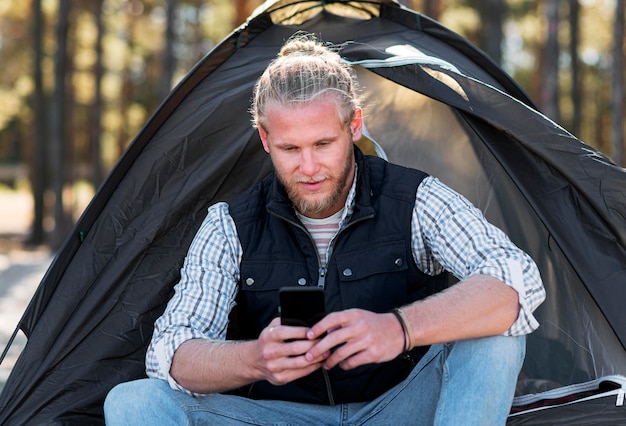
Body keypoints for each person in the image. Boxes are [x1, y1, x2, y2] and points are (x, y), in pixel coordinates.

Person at [104, 33, 545, 425]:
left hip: (403, 409)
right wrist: (255, 359)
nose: (309, 167)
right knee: (133, 403)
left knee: (495, 333)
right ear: (264, 139)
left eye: (323, 144)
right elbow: (172, 353)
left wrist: (400, 328)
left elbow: (515, 279)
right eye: (290, 148)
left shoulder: (414, 199)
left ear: (353, 125)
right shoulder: (229, 224)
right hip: (281, 417)